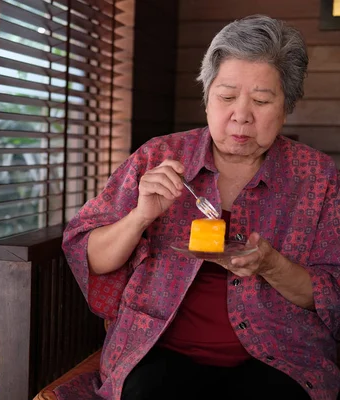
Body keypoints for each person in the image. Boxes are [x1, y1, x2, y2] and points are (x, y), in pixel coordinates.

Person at [62, 15, 340, 400]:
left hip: (279, 355)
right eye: (226, 96)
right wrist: (140, 216)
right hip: (159, 349)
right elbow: (91, 257)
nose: (241, 115)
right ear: (206, 97)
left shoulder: (318, 177)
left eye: (261, 100)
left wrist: (271, 265)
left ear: (286, 107)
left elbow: (331, 290)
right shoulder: (157, 156)